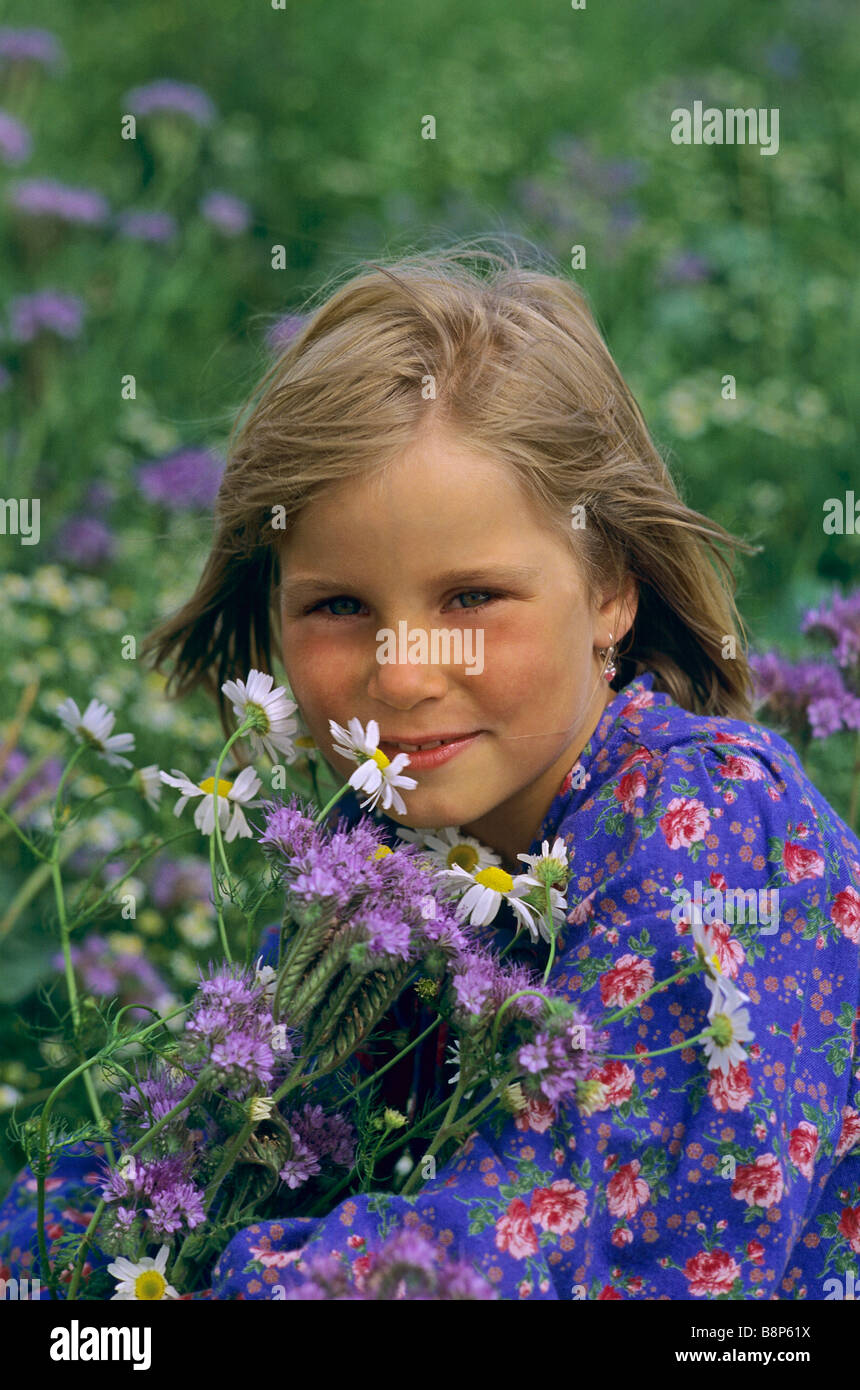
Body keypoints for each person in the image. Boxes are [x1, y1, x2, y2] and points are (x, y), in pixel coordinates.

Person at [3, 248, 859, 1299]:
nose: (403, 678)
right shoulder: (372, 860)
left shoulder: (714, 818)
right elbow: (186, 1157)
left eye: (470, 600)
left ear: (610, 592)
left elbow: (535, 1265)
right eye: (338, 607)